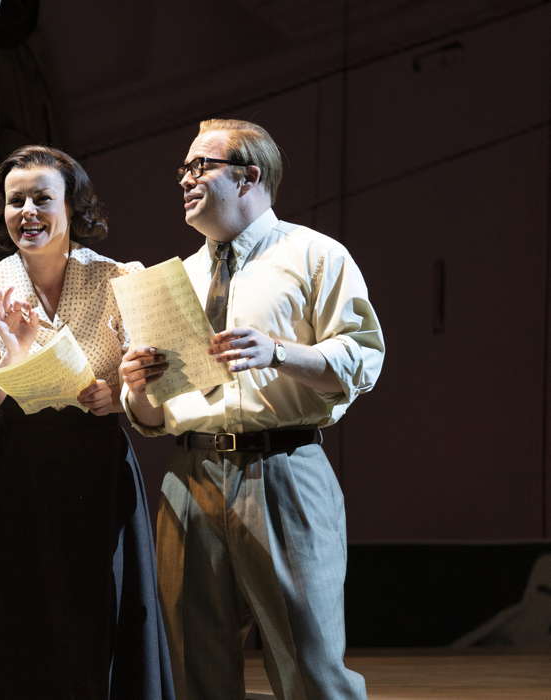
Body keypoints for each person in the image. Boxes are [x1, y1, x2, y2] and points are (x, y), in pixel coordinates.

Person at [119, 119, 385, 700]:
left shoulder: (312, 254)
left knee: (311, 665)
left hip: (283, 466)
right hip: (189, 476)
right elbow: (151, 412)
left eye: (200, 167)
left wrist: (278, 353)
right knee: (192, 667)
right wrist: (137, 388)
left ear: (249, 176)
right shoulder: (176, 277)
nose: (185, 180)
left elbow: (362, 356)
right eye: (183, 170)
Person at [0, 145, 174, 700]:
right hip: (17, 475)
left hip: (98, 468)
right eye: (15, 201)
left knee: (102, 618)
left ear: (73, 208)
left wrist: (116, 394)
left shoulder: (121, 279)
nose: (28, 212)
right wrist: (11, 358)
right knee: (16, 628)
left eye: (43, 198)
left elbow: (156, 396)